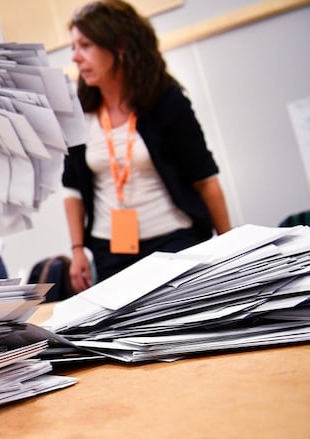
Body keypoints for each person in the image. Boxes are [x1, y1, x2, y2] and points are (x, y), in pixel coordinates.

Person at [62, 0, 232, 292]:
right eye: (73, 47)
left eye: (85, 45)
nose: (76, 57)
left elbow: (205, 179)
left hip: (174, 241)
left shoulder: (166, 101)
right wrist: (78, 249)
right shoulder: (80, 112)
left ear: (120, 46)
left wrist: (232, 246)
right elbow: (72, 190)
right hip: (110, 248)